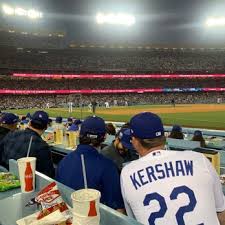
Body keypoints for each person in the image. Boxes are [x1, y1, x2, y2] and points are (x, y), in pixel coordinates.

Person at [120, 112, 225, 225]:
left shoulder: (128, 173)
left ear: (135, 141)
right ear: (164, 137)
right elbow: (222, 214)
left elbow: (134, 219)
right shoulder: (199, 159)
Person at [56, 116, 125, 212]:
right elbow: (118, 211)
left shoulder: (63, 162)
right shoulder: (108, 167)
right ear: (104, 137)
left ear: (79, 134)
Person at [0, 111, 55, 178]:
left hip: (4, 176)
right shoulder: (42, 146)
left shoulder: (11, 134)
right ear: (46, 127)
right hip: (22, 182)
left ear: (30, 123)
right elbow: (49, 175)